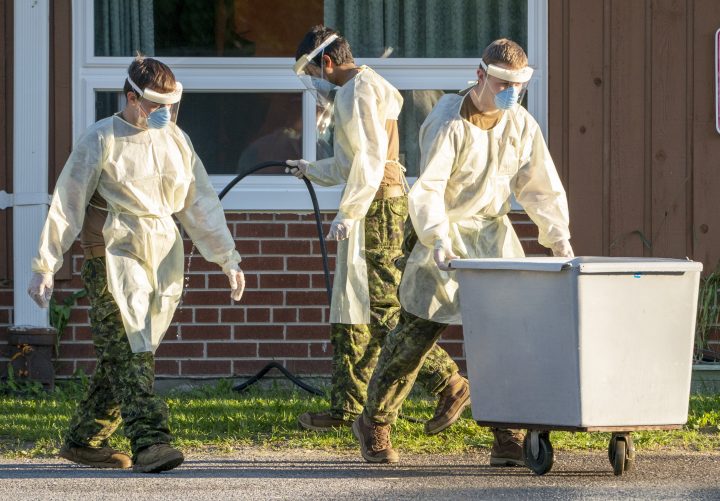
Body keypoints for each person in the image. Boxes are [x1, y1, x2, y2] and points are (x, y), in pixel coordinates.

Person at [353, 38, 574, 464]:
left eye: (518, 85)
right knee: (415, 335)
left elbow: (539, 183)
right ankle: (374, 421)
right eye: (503, 83)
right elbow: (430, 187)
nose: (511, 92)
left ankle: (506, 433)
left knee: (506, 336)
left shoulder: (521, 124)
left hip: (491, 234)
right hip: (442, 231)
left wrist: (557, 234)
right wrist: (436, 238)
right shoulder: (447, 121)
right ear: (480, 76)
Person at [27, 56, 245, 473]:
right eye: (155, 105)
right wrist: (45, 264)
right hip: (111, 255)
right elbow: (67, 205)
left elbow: (199, 203)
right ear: (131, 97)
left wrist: (227, 258)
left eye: (171, 104)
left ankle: (81, 440)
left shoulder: (176, 140)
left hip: (162, 254)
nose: (165, 113)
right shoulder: (101, 138)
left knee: (126, 353)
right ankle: (151, 441)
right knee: (132, 350)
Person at [286, 26, 469, 436]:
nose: (317, 79)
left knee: (384, 307)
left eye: (316, 71)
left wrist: (349, 213)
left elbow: (370, 162)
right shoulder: (357, 88)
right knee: (351, 307)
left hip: (378, 206)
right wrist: (310, 169)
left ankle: (450, 383)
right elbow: (351, 164)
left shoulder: (362, 90)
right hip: (371, 200)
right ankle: (348, 406)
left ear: (328, 61)